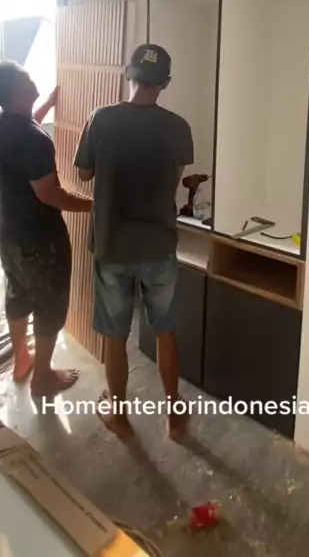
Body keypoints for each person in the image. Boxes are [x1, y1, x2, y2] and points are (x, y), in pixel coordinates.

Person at [74, 44, 194, 439]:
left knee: (115, 335)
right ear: (166, 83)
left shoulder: (101, 118)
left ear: (128, 75)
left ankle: (119, 414)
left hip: (113, 244)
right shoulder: (178, 127)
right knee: (164, 331)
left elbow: (84, 175)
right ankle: (174, 415)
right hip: (158, 244)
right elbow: (174, 180)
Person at [0, 61, 92, 396]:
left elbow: (27, 132)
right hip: (41, 241)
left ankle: (22, 359)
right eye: (27, 77)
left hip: (10, 233)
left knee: (18, 294)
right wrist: (95, 205)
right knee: (50, 305)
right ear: (18, 90)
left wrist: (47, 105)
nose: (33, 80)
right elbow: (50, 194)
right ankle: (42, 377)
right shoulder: (33, 140)